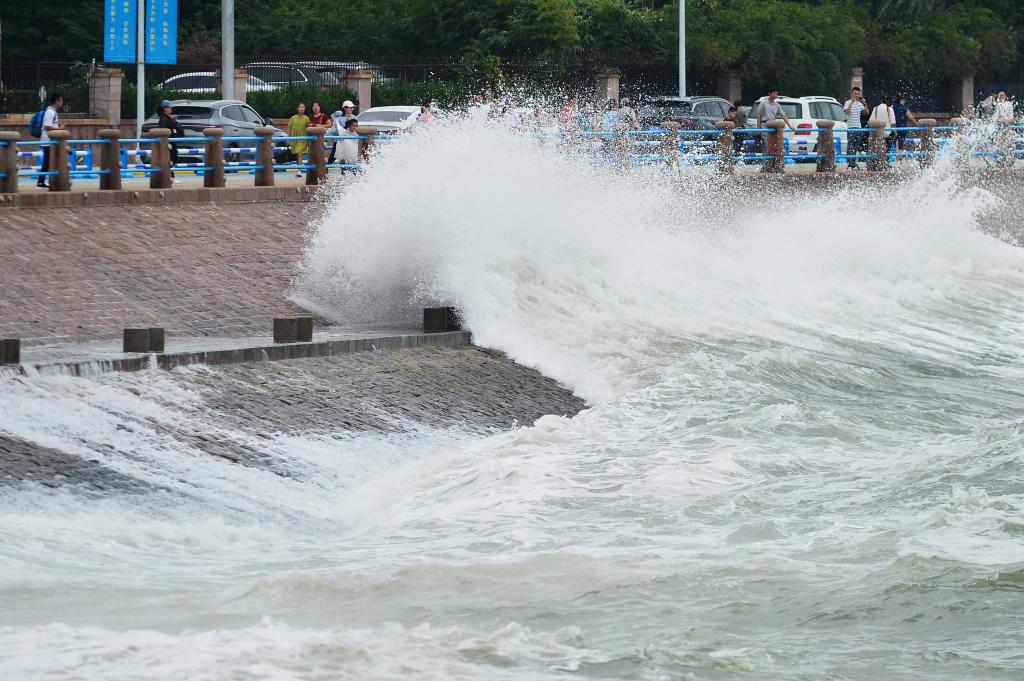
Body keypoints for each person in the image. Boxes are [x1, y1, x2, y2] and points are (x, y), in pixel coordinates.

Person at [37, 92, 63, 189]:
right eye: (61, 100)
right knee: (47, 161)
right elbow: (47, 126)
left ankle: (43, 181)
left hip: (51, 140)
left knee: (49, 161)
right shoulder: (50, 112)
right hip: (48, 140)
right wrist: (59, 129)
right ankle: (40, 182)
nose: (62, 102)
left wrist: (58, 127)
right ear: (57, 101)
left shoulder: (53, 111)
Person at [157, 100, 185, 182]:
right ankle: (170, 177)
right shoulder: (163, 119)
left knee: (172, 159)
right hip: (169, 143)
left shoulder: (167, 118)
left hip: (172, 142)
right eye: (169, 107)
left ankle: (171, 177)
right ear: (164, 108)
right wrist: (167, 142)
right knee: (169, 160)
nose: (171, 109)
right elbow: (163, 131)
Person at [844, 86, 869, 170]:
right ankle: (851, 165)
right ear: (852, 93)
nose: (856, 95)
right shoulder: (847, 102)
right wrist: (852, 102)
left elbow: (866, 113)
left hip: (858, 128)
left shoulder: (860, 104)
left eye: (858, 94)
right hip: (851, 127)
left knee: (855, 146)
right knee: (850, 146)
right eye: (855, 93)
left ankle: (853, 164)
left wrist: (865, 103)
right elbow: (847, 111)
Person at [328, 100, 357, 165]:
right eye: (350, 107)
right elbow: (335, 130)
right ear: (345, 108)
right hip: (340, 140)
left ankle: (346, 170)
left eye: (352, 107)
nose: (352, 109)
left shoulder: (353, 117)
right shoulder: (339, 118)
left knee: (347, 156)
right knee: (334, 155)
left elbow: (355, 128)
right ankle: (326, 167)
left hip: (349, 140)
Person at [288, 102, 310, 172]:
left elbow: (308, 128)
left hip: (303, 138)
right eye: (301, 107)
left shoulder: (306, 118)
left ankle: (299, 170)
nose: (302, 108)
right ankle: (299, 169)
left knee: (300, 153)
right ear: (297, 108)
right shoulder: (293, 118)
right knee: (298, 154)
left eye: (303, 107)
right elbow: (289, 128)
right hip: (294, 138)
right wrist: (289, 138)